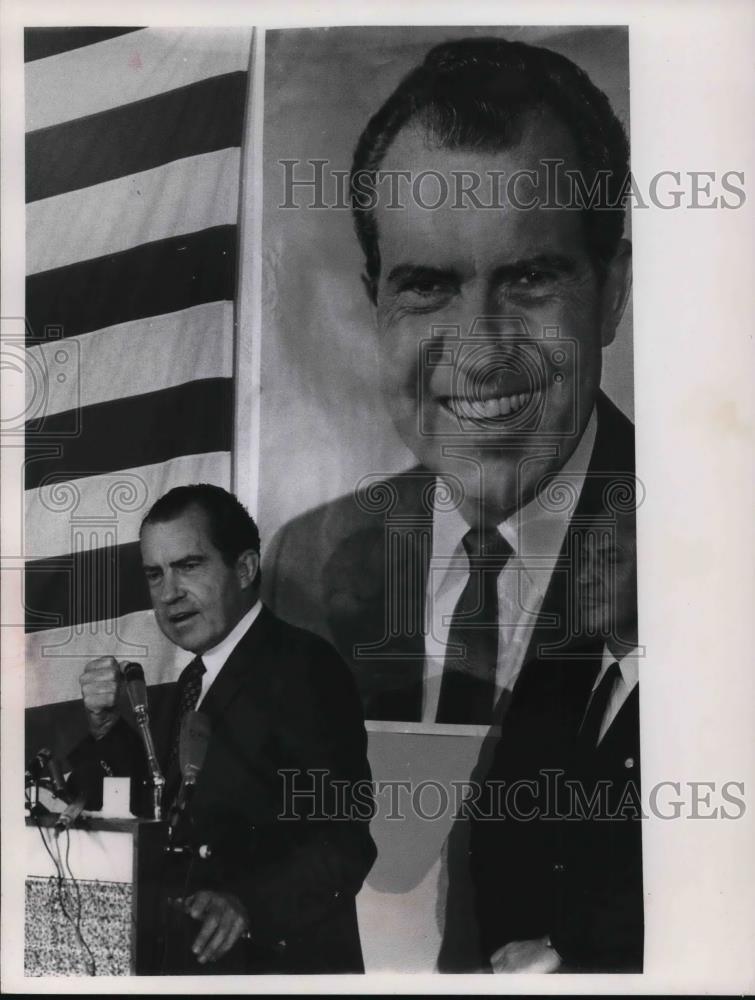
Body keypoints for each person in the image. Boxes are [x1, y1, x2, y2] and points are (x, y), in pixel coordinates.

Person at [263, 34, 641, 970]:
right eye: (426, 288)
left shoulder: (708, 549)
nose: (477, 350)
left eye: (528, 278)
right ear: (375, 303)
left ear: (611, 294)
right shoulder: (310, 565)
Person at [68, 484, 376, 974]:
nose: (169, 593)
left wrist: (245, 905)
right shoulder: (194, 679)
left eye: (189, 566)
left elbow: (343, 843)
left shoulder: (305, 668)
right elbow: (165, 807)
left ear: (246, 568)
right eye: (155, 574)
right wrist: (106, 728)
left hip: (274, 971)